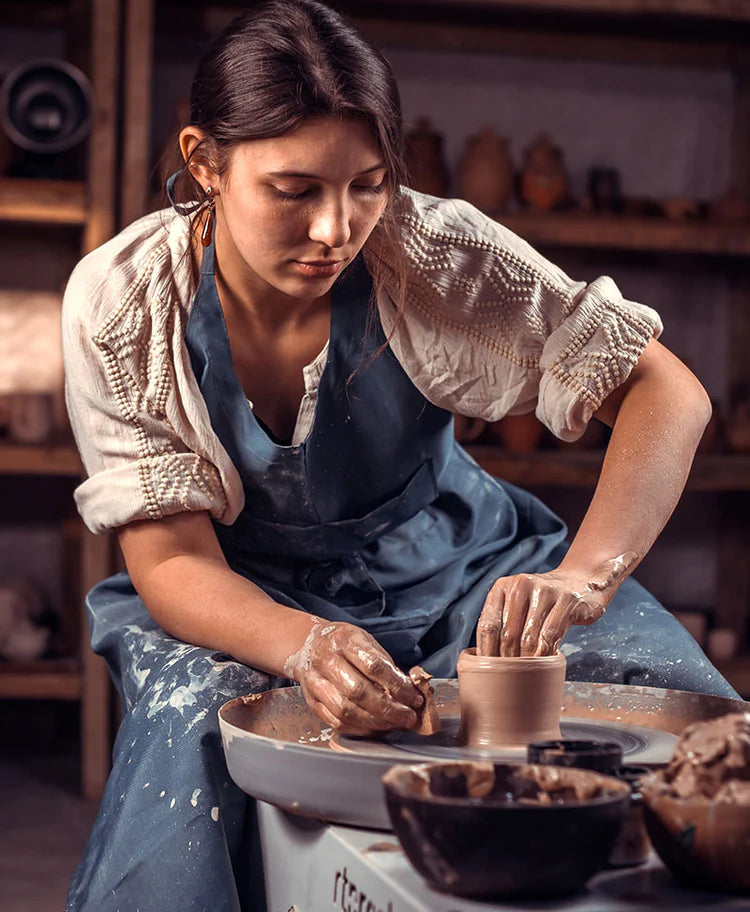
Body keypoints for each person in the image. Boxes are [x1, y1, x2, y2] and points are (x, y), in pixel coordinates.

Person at [61, 1, 739, 909]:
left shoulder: (432, 254)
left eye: (368, 184)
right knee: (198, 733)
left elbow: (669, 393)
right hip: (242, 593)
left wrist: (583, 580)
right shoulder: (122, 301)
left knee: (681, 722)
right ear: (205, 164)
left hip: (457, 561)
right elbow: (173, 558)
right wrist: (306, 646)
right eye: (294, 190)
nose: (337, 229)